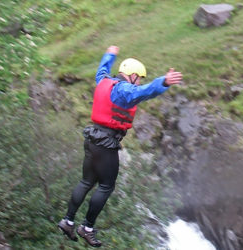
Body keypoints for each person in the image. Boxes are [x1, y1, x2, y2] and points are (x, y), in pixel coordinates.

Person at [57, 45, 182, 247]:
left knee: (86, 181)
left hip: (92, 139)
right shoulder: (125, 90)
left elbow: (102, 71)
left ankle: (68, 221)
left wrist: (110, 55)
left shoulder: (104, 82)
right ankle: (87, 227)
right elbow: (145, 91)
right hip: (106, 143)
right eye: (139, 77)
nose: (139, 81)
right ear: (132, 76)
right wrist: (163, 82)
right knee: (106, 186)